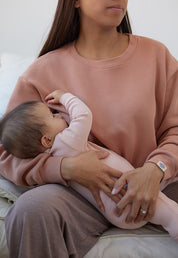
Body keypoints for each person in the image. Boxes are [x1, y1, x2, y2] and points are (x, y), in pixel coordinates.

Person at [0, 0, 178, 257]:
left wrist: (156, 169)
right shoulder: (42, 72)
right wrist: (65, 167)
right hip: (81, 197)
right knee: (31, 210)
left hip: (158, 184)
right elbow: (8, 152)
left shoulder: (156, 55)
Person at [0, 89, 178, 241]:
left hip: (116, 212)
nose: (59, 115)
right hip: (126, 193)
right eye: (53, 116)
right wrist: (65, 97)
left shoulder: (49, 154)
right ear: (46, 140)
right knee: (167, 211)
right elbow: (83, 115)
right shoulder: (68, 141)